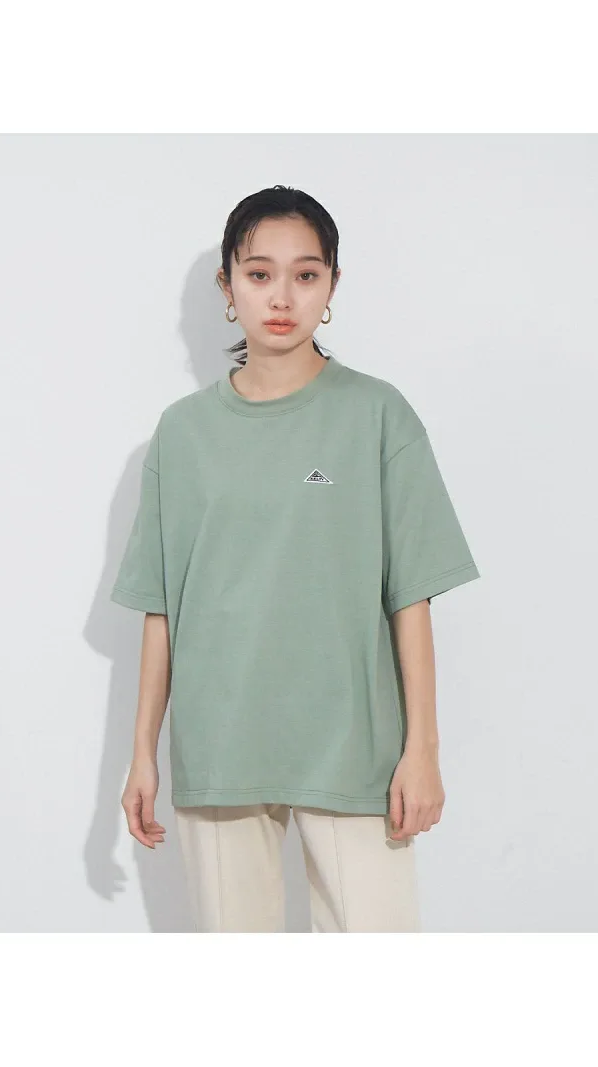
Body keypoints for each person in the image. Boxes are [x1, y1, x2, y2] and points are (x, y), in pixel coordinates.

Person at [111, 185, 481, 932]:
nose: (282, 296)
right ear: (227, 286)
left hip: (354, 749)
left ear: (332, 285)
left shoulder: (378, 414)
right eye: (259, 274)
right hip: (220, 745)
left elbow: (411, 596)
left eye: (306, 275)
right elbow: (162, 607)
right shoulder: (182, 434)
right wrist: (142, 752)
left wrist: (423, 750)